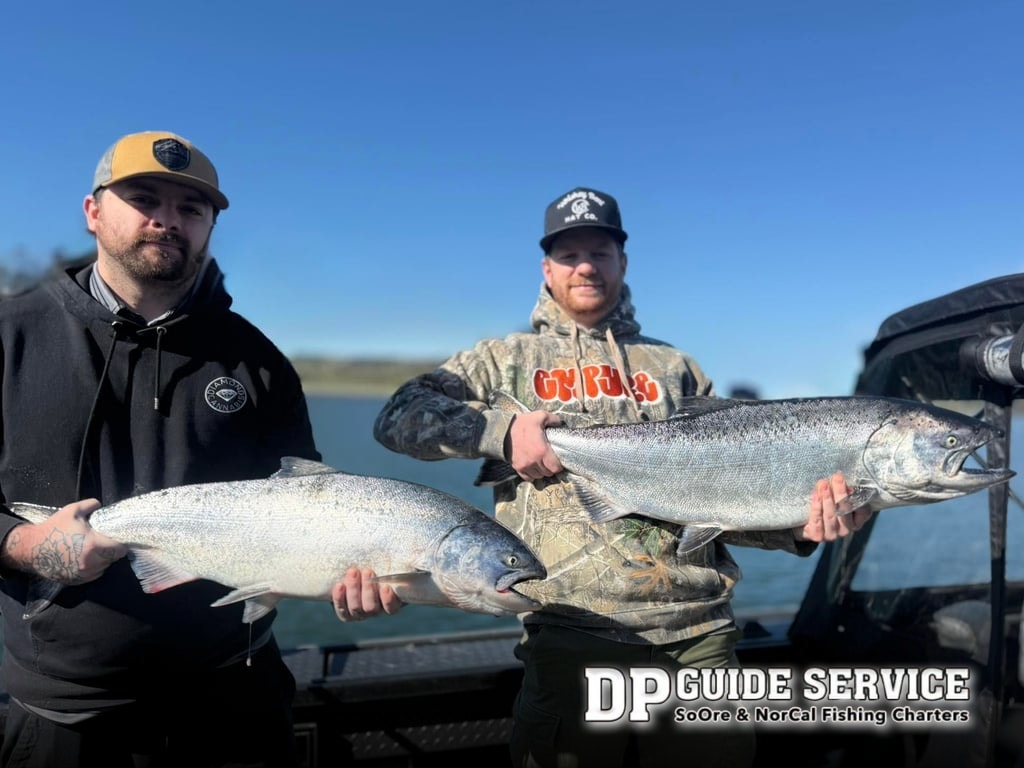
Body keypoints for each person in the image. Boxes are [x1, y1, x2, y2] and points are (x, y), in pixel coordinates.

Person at [373, 186, 872, 768]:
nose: (586, 266)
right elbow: (397, 417)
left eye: (601, 252)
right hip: (569, 633)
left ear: (623, 263)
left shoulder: (677, 368)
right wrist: (498, 436)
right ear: (547, 268)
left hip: (699, 637)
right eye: (570, 254)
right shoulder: (500, 360)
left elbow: (719, 506)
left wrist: (801, 528)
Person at [0, 130, 399, 768]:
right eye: (143, 198)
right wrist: (21, 544)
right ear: (93, 210)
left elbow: (311, 501)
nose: (167, 219)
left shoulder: (261, 363)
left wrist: (352, 569)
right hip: (68, 711)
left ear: (210, 226)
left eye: (191, 208)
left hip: (234, 699)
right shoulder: (10, 337)